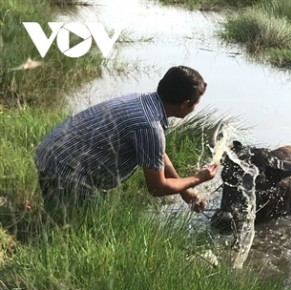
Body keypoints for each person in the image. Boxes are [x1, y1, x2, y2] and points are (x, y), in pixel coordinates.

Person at [34, 65, 218, 218]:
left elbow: (157, 153)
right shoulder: (150, 126)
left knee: (69, 215)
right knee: (91, 230)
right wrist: (198, 178)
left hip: (52, 153)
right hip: (63, 170)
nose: (195, 107)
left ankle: (51, 215)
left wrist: (186, 193)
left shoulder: (142, 101)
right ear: (185, 104)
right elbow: (157, 188)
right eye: (196, 103)